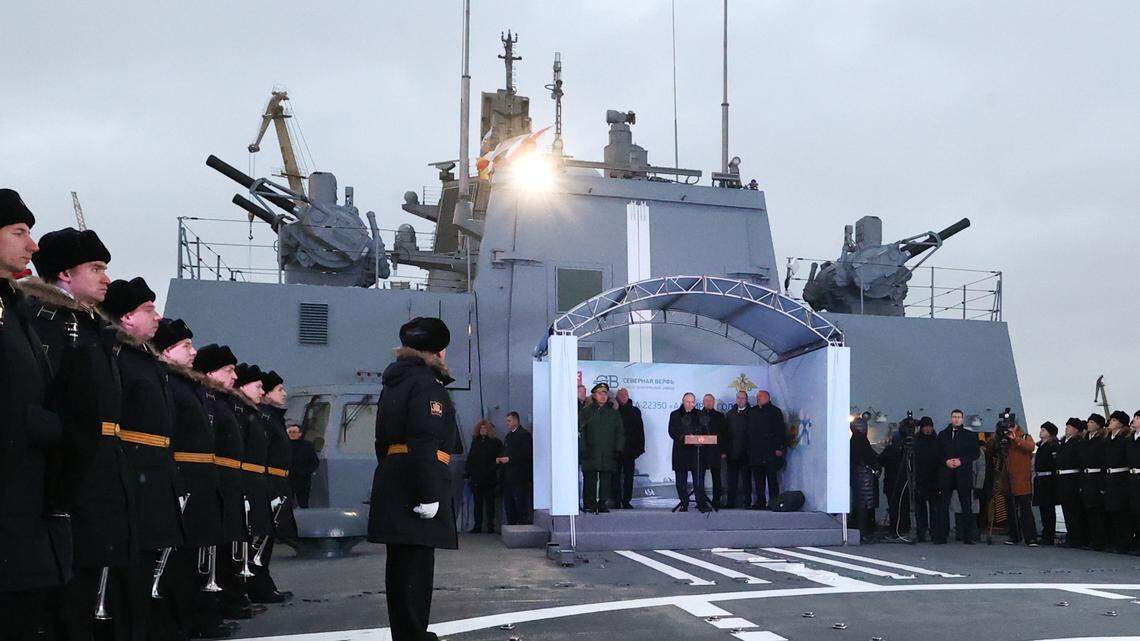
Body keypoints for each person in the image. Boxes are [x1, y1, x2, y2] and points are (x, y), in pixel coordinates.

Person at [23, 227, 139, 641]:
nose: (106, 278)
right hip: (71, 471)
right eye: (96, 268)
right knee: (69, 582)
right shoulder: (47, 322)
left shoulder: (87, 326)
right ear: (65, 274)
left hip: (99, 466)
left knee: (93, 573)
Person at [101, 277, 187, 639]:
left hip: (155, 472)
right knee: (132, 565)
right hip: (135, 472)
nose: (158, 316)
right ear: (126, 318)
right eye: (149, 309)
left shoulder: (144, 361)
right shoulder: (119, 357)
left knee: (151, 558)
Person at [0, 191, 68, 640]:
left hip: (23, 488)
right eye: (19, 232)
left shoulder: (13, 308)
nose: (33, 245)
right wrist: (36, 422)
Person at [367, 317, 459, 641]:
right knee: (416, 570)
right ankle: (414, 636)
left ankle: (408, 634)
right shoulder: (427, 385)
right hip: (417, 485)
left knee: (400, 569)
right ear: (439, 351)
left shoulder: (394, 382)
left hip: (395, 480)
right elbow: (424, 441)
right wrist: (428, 492)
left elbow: (381, 443)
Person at [154, 318, 234, 639]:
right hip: (184, 479)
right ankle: (179, 621)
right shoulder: (170, 384)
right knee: (178, 559)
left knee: (193, 556)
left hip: (200, 481)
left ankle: (193, 618)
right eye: (186, 345)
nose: (193, 352)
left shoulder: (189, 387)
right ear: (166, 350)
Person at [193, 344, 258, 620]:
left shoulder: (223, 402)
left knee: (228, 543)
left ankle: (226, 599)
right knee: (214, 548)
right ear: (210, 372)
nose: (235, 376)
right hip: (214, 479)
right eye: (228, 370)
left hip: (229, 481)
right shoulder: (209, 399)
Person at [249, 369, 295, 604]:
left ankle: (262, 584)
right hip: (271, 481)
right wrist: (271, 488)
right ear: (266, 393)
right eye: (279, 389)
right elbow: (263, 454)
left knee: (267, 539)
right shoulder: (265, 418)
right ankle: (259, 586)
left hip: (278, 481)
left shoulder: (272, 417)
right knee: (261, 539)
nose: (284, 393)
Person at [577, 384, 624, 514]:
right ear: (594, 395)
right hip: (590, 451)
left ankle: (602, 503)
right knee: (590, 478)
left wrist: (618, 449)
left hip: (608, 452)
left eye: (605, 393)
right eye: (599, 393)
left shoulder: (613, 413)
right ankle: (590, 503)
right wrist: (583, 448)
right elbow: (581, 432)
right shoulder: (586, 412)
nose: (603, 396)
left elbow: (619, 432)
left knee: (606, 479)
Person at [938, 409, 981, 544]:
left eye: (959, 417)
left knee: (966, 505)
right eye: (954, 417)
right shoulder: (942, 434)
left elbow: (975, 453)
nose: (956, 419)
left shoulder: (970, 435)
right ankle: (942, 535)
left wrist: (961, 461)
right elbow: (937, 453)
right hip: (947, 474)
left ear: (962, 419)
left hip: (963, 475)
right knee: (943, 505)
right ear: (951, 418)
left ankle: (968, 537)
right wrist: (946, 461)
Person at [746, 390, 787, 510]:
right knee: (758, 479)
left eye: (761, 396)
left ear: (768, 398)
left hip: (770, 451)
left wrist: (779, 448)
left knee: (772, 478)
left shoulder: (775, 411)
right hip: (755, 451)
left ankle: (773, 502)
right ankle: (760, 501)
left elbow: (780, 431)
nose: (758, 398)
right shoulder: (752, 411)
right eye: (757, 396)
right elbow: (748, 431)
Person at [668, 393, 708, 512]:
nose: (690, 404)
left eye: (692, 402)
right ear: (683, 401)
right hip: (680, 452)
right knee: (681, 481)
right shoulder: (675, 414)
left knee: (698, 480)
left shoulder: (700, 415)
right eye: (688, 402)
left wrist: (698, 439)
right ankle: (684, 503)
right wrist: (685, 437)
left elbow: (705, 431)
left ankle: (701, 503)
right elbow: (672, 432)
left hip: (696, 453)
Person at [1002, 422, 1038, 546]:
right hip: (1008, 481)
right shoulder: (1004, 440)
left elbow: (1031, 447)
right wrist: (999, 435)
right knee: (1011, 511)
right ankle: (1014, 536)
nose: (1009, 428)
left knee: (1025, 511)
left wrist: (1015, 438)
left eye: (1011, 426)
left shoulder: (1024, 437)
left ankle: (1031, 538)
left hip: (1022, 481)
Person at [465, 420, 501, 533]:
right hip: (476, 477)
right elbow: (470, 458)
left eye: (485, 428)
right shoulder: (475, 442)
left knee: (490, 503)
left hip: (489, 478)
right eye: (481, 428)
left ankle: (490, 526)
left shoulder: (495, 442)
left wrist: (492, 468)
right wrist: (467, 472)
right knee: (477, 503)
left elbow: (499, 459)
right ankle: (477, 525)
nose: (482, 430)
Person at [1103, 410, 1132, 553]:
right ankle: (1115, 541)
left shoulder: (1124, 440)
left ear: (1121, 423)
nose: (1110, 422)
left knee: (1122, 512)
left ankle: (1124, 543)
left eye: (1114, 420)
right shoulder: (1108, 440)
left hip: (1120, 478)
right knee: (1112, 511)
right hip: (1110, 478)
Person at [1055, 417, 1086, 548]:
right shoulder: (1063, 443)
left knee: (1074, 510)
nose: (1067, 428)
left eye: (1070, 427)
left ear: (1076, 430)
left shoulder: (1077, 443)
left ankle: (1077, 538)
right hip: (1063, 479)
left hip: (1072, 479)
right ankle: (1071, 536)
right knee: (1066, 509)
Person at [498, 411, 533, 525]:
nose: (507, 423)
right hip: (508, 476)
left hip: (519, 476)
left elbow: (526, 453)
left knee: (520, 501)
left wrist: (510, 459)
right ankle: (511, 524)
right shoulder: (509, 436)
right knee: (509, 502)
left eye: (509, 421)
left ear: (516, 420)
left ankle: (522, 524)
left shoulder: (524, 435)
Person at [612, 388, 645, 509]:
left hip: (630, 450)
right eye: (621, 394)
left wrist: (640, 448)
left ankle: (626, 501)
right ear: (617, 396)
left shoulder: (635, 411)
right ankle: (616, 500)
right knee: (615, 477)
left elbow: (640, 431)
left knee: (629, 477)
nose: (624, 396)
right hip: (615, 450)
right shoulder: (613, 410)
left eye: (625, 394)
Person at [913, 417, 944, 543]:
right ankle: (922, 532)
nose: (928, 429)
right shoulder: (917, 442)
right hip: (920, 480)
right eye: (925, 426)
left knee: (934, 509)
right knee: (921, 509)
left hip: (934, 480)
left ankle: (934, 533)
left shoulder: (936, 442)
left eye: (930, 426)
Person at [849, 417, 881, 542]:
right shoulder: (862, 441)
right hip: (866, 477)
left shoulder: (853, 441)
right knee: (865, 506)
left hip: (858, 477)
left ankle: (860, 531)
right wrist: (876, 466)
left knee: (859, 505)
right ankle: (864, 532)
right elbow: (869, 458)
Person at [1080, 413, 1108, 551]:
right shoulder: (1086, 440)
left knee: (1098, 511)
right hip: (1087, 478)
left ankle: (1101, 541)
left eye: (1092, 422)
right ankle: (1093, 539)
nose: (1088, 424)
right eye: (1089, 422)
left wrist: (1102, 484)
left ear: (1098, 425)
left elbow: (1103, 462)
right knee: (1089, 510)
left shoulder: (1101, 441)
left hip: (1096, 477)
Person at [879, 427, 912, 540]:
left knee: (894, 507)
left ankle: (894, 530)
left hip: (891, 482)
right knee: (904, 507)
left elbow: (880, 461)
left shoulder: (889, 449)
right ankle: (904, 529)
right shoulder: (907, 451)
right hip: (904, 483)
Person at [722, 391, 752, 509]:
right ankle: (730, 502)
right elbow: (725, 435)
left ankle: (747, 502)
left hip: (747, 453)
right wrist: (725, 451)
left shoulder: (752, 413)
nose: (740, 400)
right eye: (738, 398)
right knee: (731, 480)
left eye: (743, 398)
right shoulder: (730, 414)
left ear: (747, 400)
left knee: (746, 480)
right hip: (732, 453)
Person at [1033, 421, 1061, 545]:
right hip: (1041, 479)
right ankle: (1046, 533)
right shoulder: (1041, 446)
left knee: (1049, 509)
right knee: (1043, 508)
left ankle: (1049, 536)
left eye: (1044, 430)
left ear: (1050, 433)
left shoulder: (1053, 446)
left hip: (1048, 480)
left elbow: (1055, 463)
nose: (1041, 432)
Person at [699, 394, 726, 508]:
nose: (708, 403)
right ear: (703, 402)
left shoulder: (720, 416)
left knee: (716, 476)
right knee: (700, 476)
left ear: (714, 402)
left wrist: (723, 451)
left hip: (715, 451)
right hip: (701, 451)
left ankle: (716, 500)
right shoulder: (697, 415)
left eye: (711, 401)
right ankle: (700, 500)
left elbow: (724, 435)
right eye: (706, 401)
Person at [288, 421, 319, 509]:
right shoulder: (283, 446)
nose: (292, 434)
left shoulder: (307, 446)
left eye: (294, 432)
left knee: (303, 503)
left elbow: (315, 462)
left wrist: (305, 472)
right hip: (288, 480)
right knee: (287, 504)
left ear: (300, 434)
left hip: (303, 480)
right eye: (290, 432)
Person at [1128, 411, 1140, 555]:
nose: (1134, 420)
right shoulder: (1131, 439)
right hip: (1131, 477)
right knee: (1134, 511)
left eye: (1137, 418)